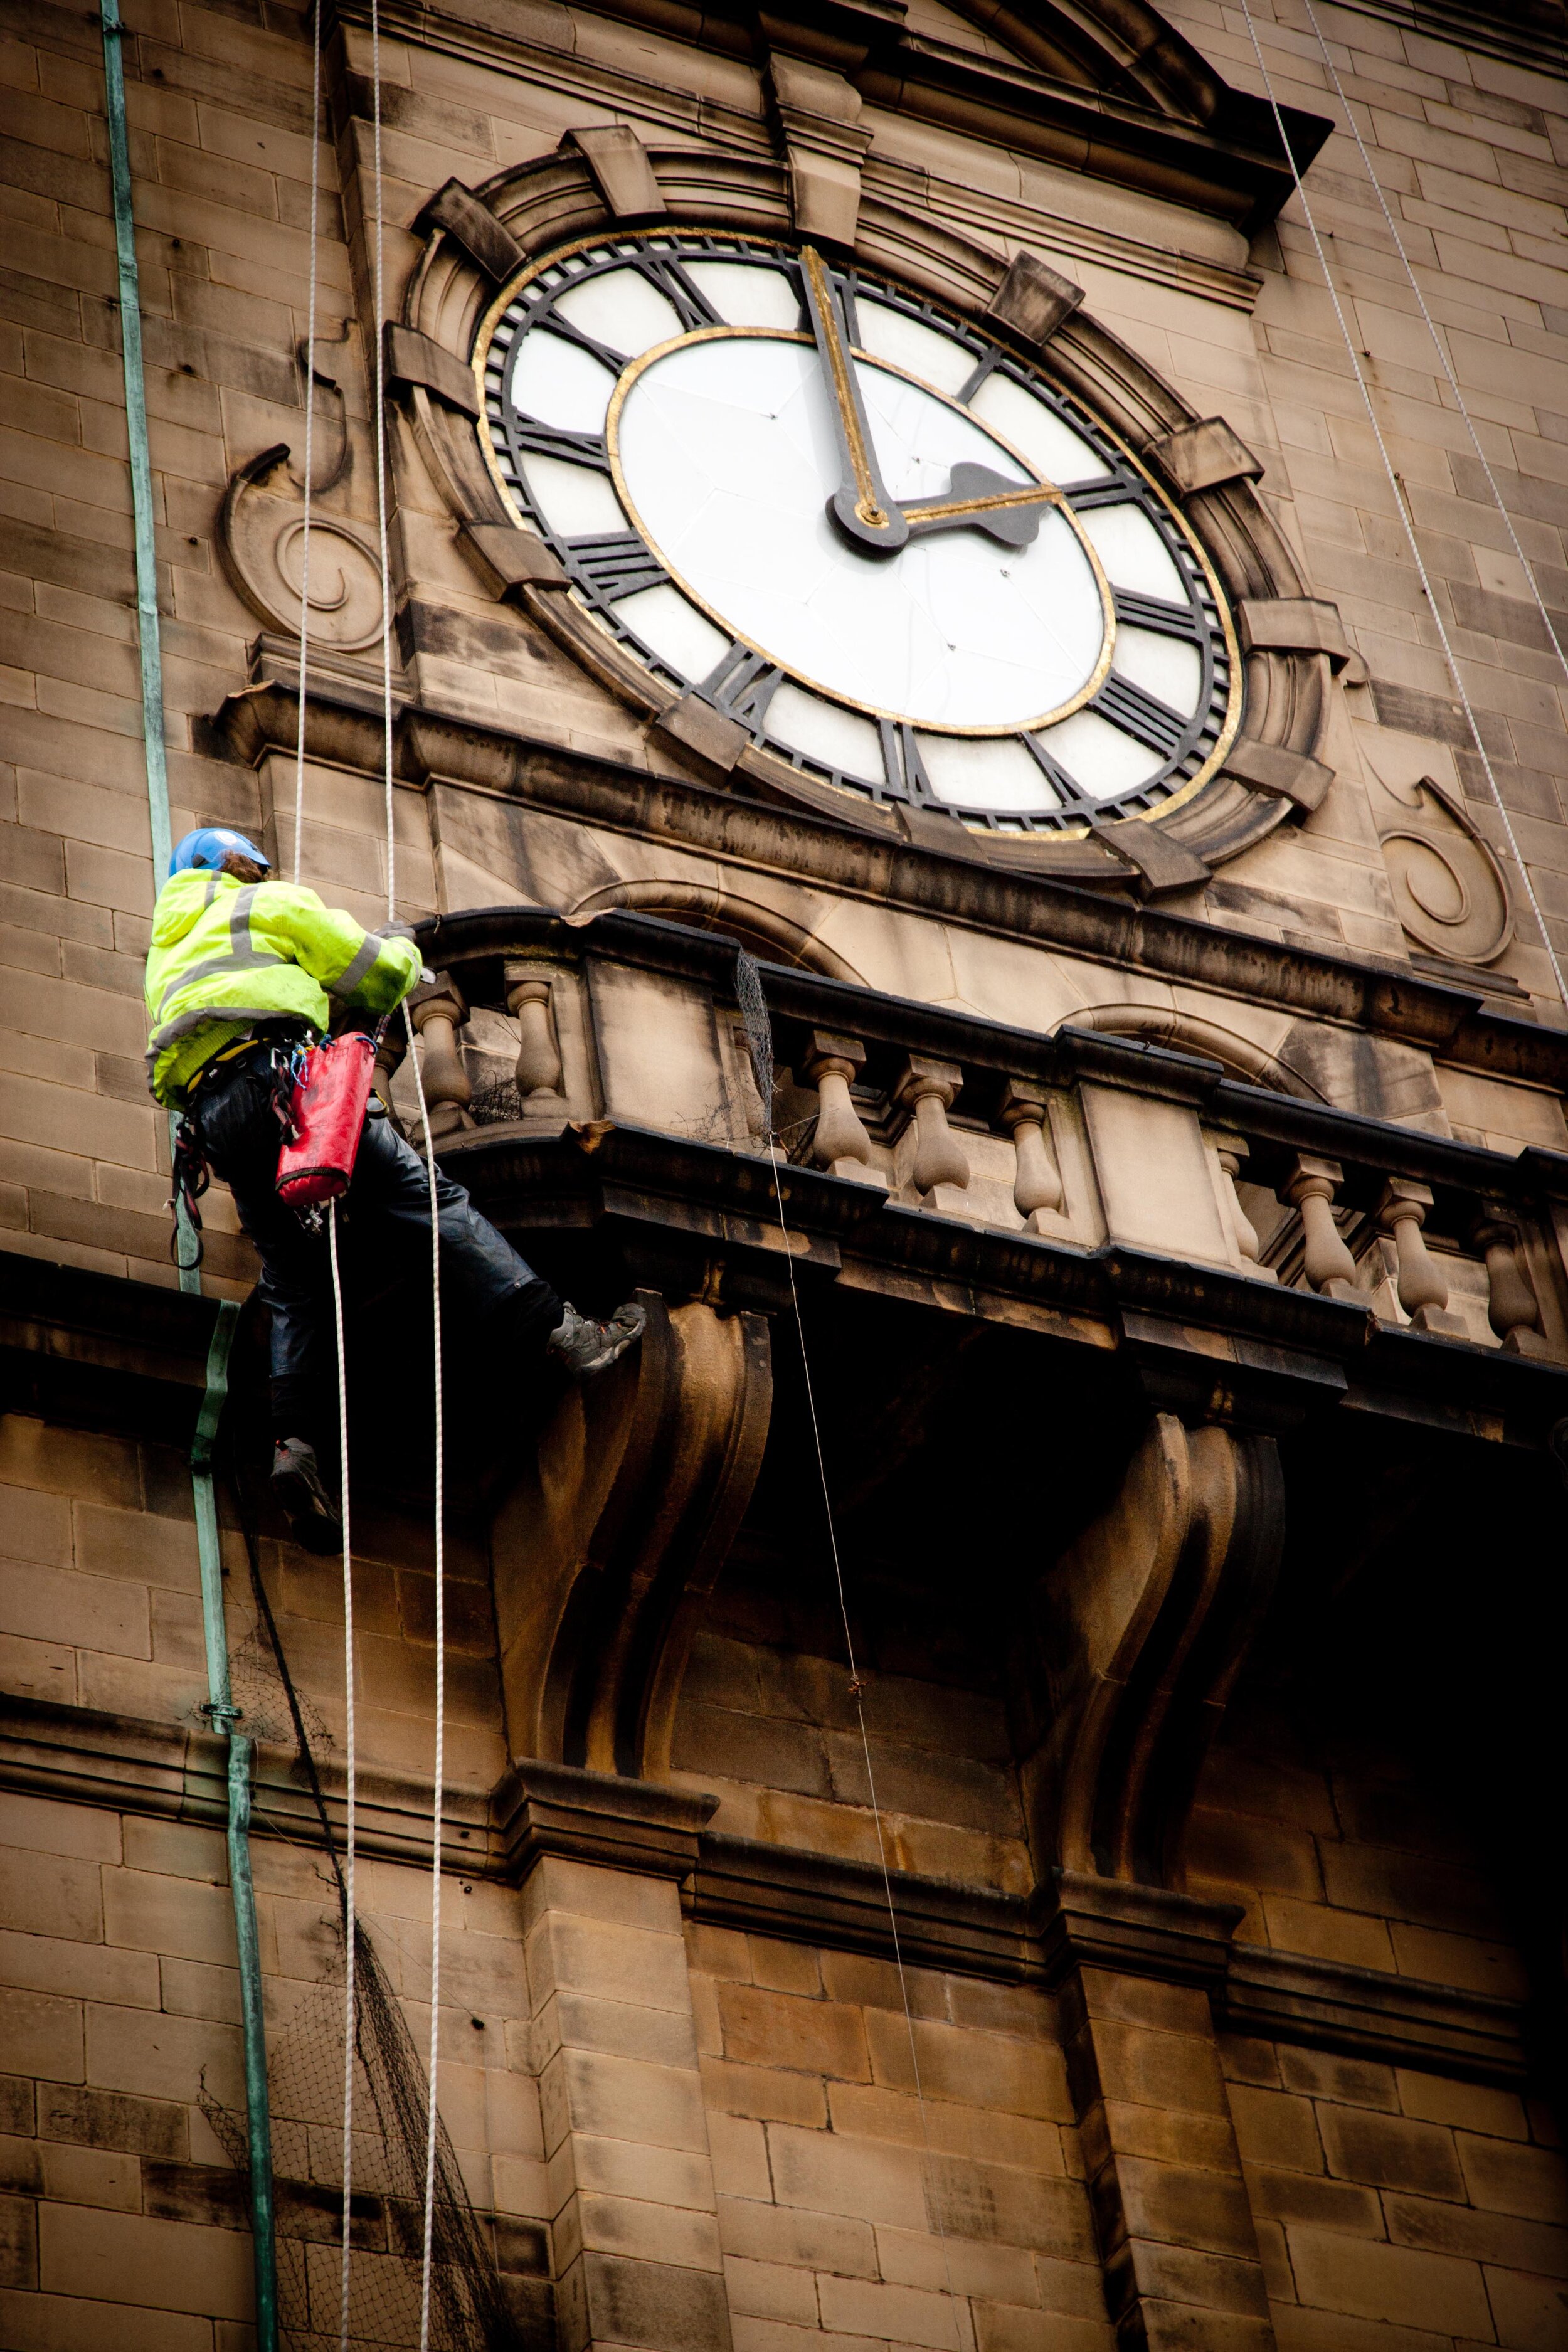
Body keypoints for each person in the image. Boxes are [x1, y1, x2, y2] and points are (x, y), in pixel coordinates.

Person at [145, 827, 644, 1551]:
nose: (263, 867)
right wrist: (399, 947)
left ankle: (295, 1450)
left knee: (291, 1283)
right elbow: (371, 972)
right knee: (433, 1202)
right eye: (253, 858)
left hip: (217, 1120)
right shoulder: (260, 907)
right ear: (225, 861)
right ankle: (568, 1337)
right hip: (282, 1083)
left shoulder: (166, 952)